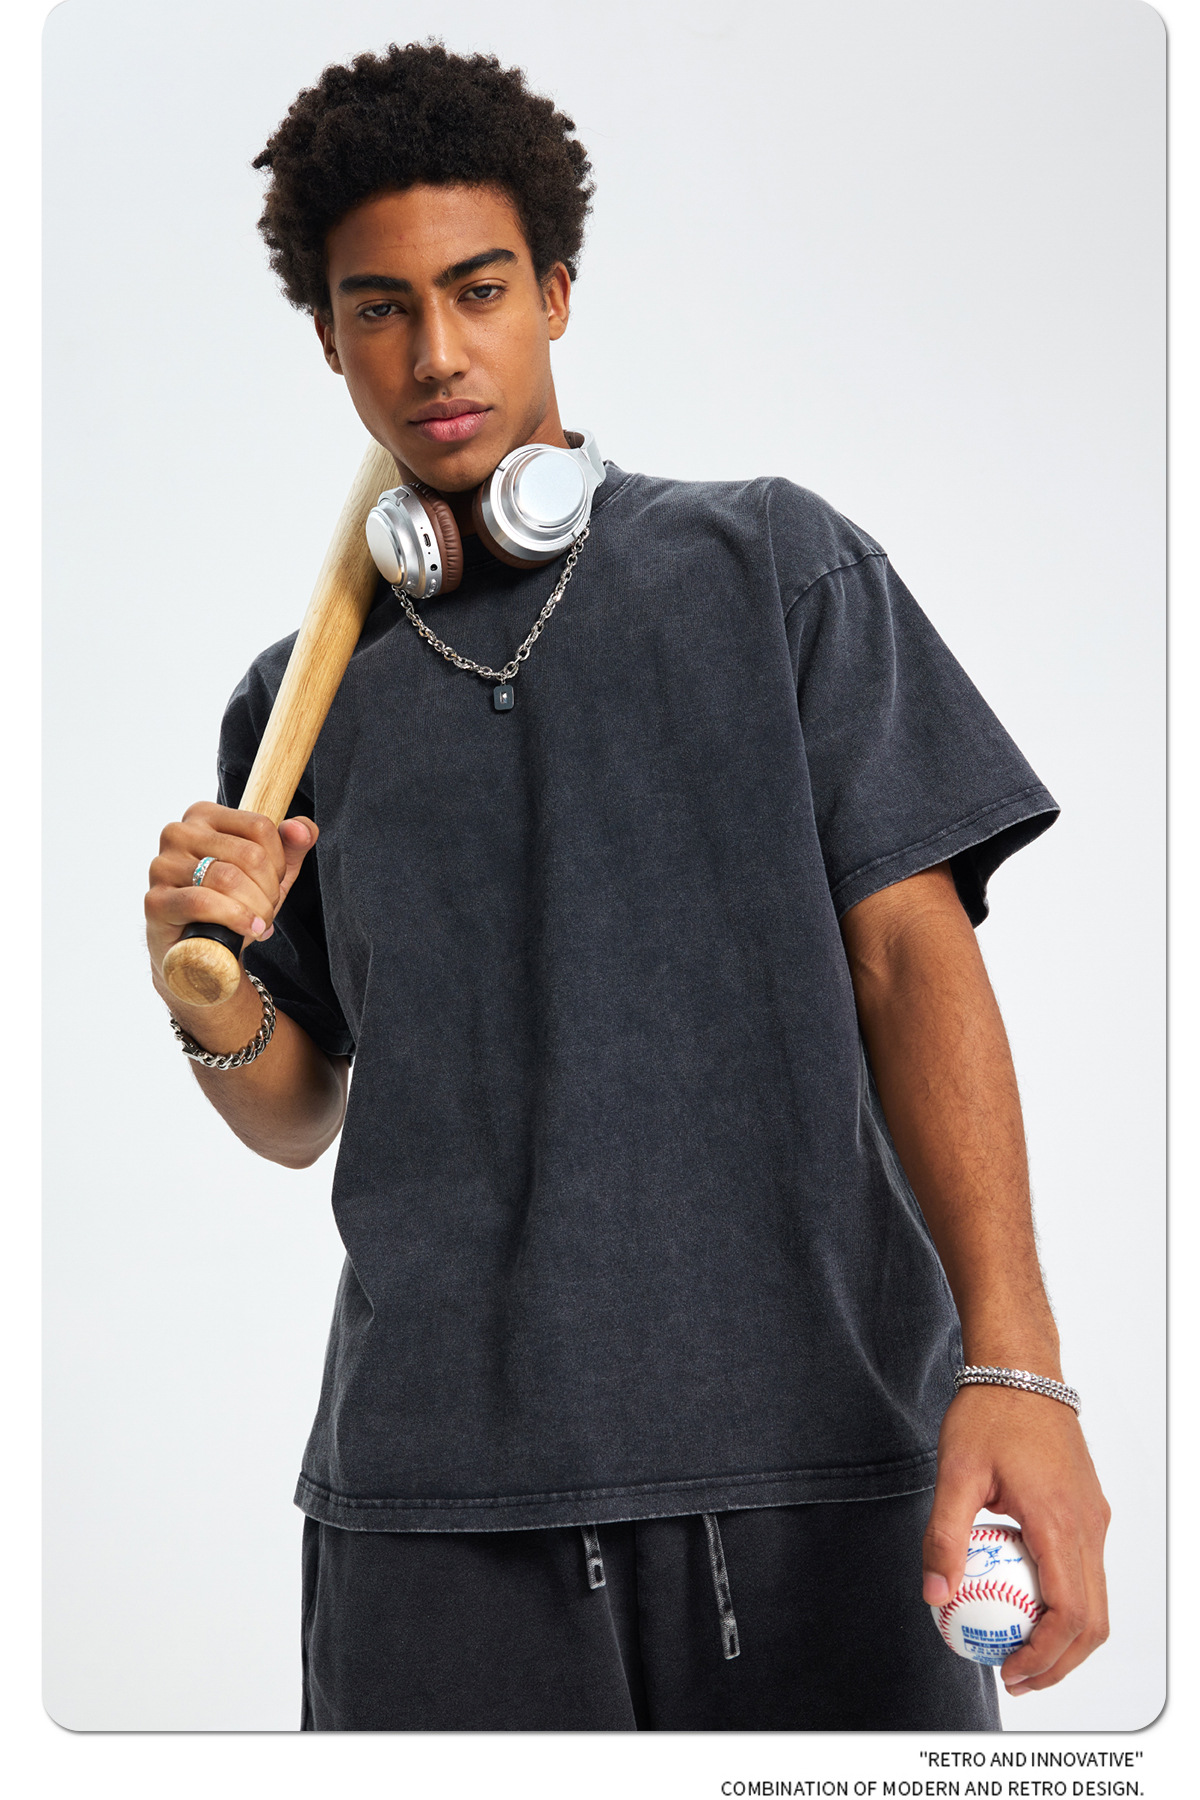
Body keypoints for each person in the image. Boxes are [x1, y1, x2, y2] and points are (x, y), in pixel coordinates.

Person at [143, 42, 1110, 1731]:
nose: (435, 354)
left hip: (818, 1484)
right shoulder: (294, 706)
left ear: (556, 294)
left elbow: (915, 964)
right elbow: (300, 1113)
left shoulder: (773, 572)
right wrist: (201, 990)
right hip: (431, 1526)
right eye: (379, 309)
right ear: (328, 338)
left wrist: (1016, 1366)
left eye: (478, 290)